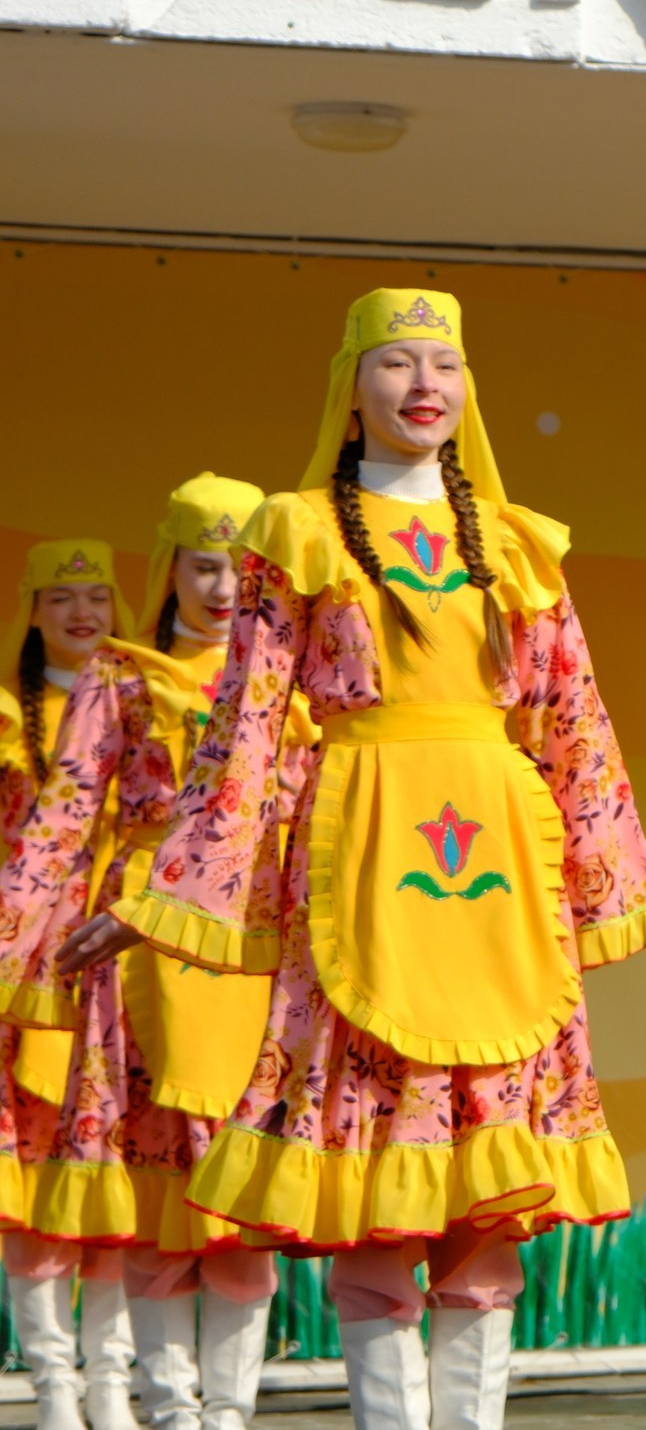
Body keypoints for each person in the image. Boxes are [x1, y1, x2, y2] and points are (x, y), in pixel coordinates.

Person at [62, 289, 646, 1430]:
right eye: (396, 363)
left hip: (502, 876)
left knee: (489, 1191)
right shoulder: (301, 531)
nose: (425, 383)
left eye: (447, 365)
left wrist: (645, 892)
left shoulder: (523, 544)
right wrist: (159, 894)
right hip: (360, 860)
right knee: (373, 1187)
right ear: (351, 389)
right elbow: (251, 726)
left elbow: (579, 727)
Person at [2, 476, 294, 1430]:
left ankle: (230, 1416)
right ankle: (169, 1414)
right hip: (136, 957)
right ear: (169, 566)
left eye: (244, 568)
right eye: (205, 564)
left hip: (250, 954)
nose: (223, 586)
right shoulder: (120, 678)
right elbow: (60, 822)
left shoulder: (288, 683)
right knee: (157, 1202)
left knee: (242, 1208)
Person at [6, 539, 140, 1430]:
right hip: (28, 966)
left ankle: (114, 1383)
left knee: (119, 1178)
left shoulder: (145, 703)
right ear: (33, 611)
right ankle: (53, 1385)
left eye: (97, 594)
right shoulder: (7, 719)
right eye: (62, 596)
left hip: (124, 959)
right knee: (40, 1183)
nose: (82, 612)